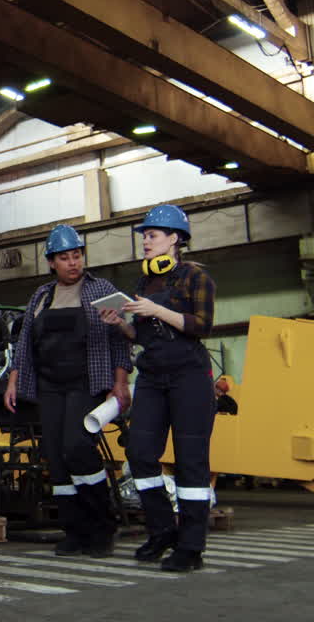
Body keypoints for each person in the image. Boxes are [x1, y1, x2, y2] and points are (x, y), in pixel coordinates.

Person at [101, 204, 217, 572]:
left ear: (174, 239)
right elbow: (142, 336)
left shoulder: (196, 277)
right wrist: (120, 324)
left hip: (189, 376)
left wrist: (157, 310)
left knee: (191, 460)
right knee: (139, 453)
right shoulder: (144, 283)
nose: (146, 242)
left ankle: (191, 547)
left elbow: (202, 325)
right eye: (145, 236)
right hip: (152, 376)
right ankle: (163, 529)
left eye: (152, 235)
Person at [5, 224, 132, 557]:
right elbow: (25, 342)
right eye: (64, 258)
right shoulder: (41, 296)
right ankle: (75, 531)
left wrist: (120, 383)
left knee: (77, 447)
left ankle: (102, 527)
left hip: (86, 383)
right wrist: (14, 379)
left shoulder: (101, 289)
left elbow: (120, 340)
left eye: (77, 255)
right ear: (51, 262)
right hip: (49, 386)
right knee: (56, 458)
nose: (73, 263)